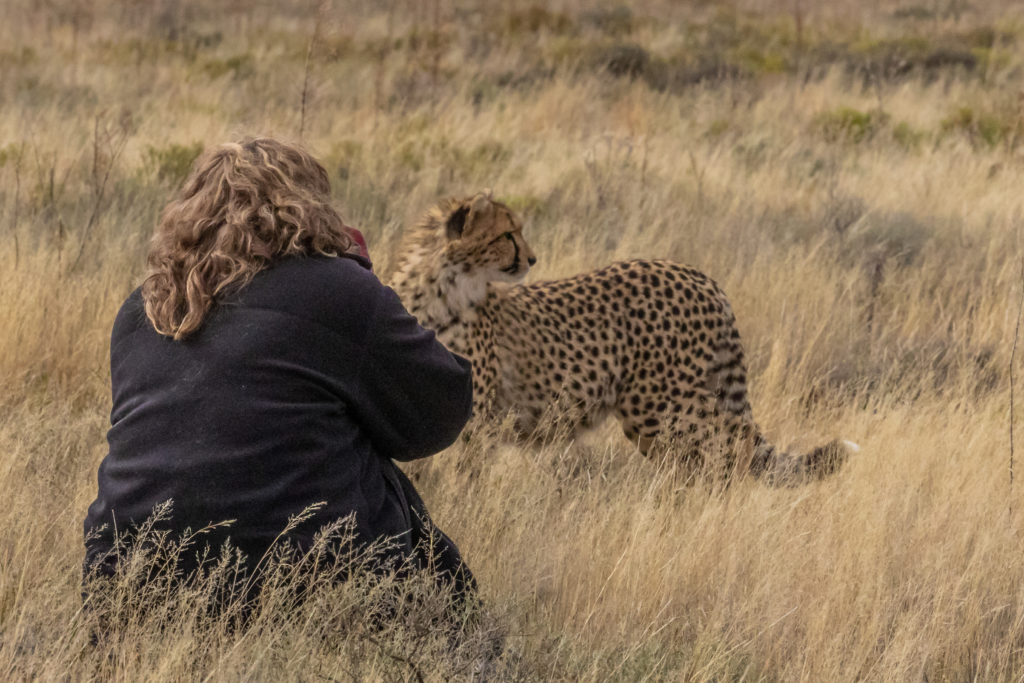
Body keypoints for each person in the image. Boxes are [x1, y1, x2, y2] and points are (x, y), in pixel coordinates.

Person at [82, 136, 476, 613]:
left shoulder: (140, 309)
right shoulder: (337, 288)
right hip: (302, 587)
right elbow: (439, 413)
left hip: (126, 584)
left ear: (188, 218)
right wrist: (365, 286)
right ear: (309, 206)